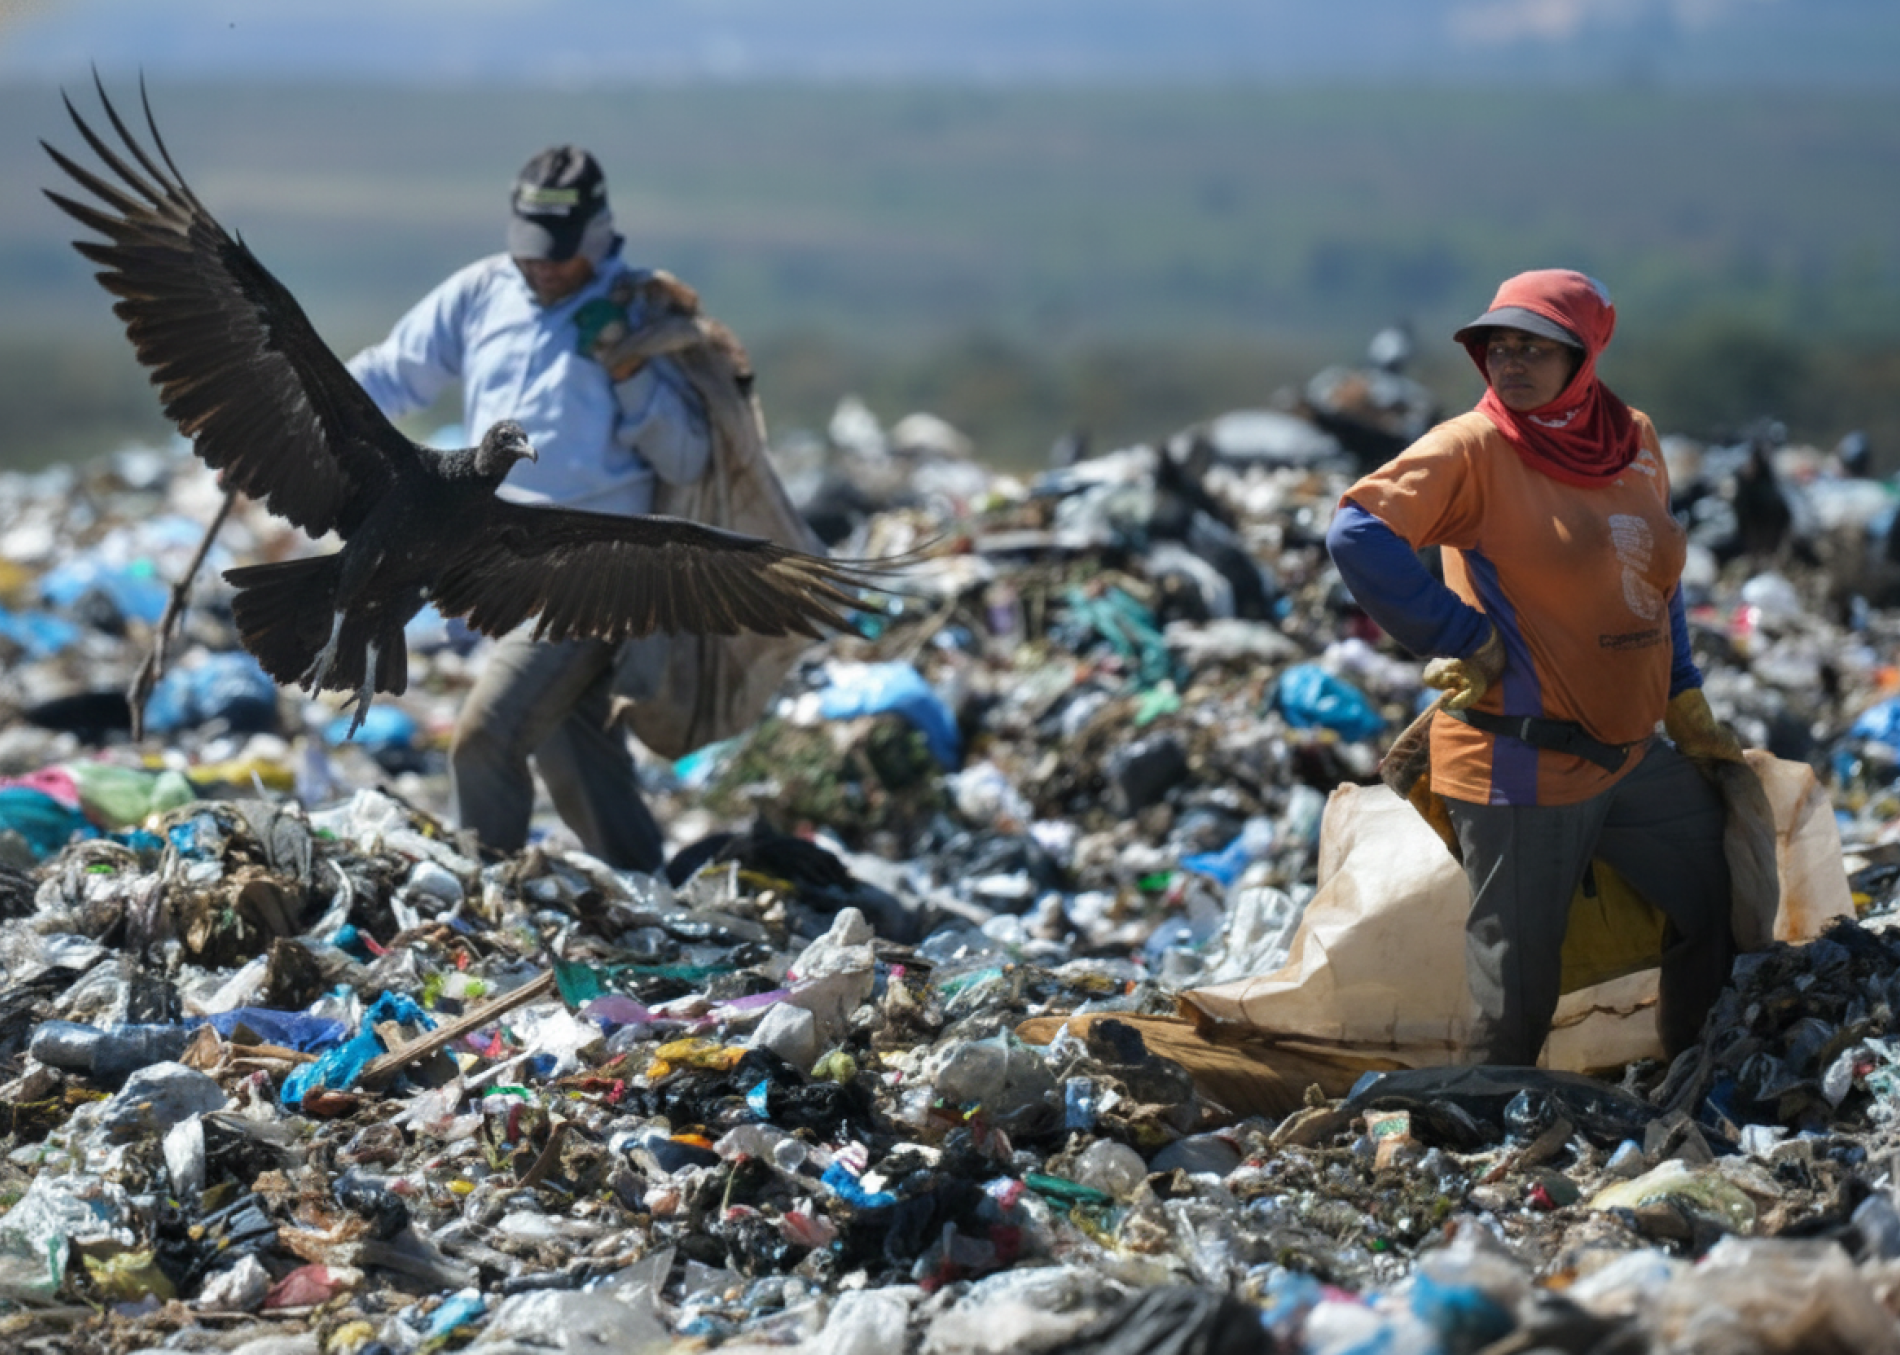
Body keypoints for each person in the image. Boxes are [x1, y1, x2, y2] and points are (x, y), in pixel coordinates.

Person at [1325, 268, 1746, 1067]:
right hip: (1521, 761)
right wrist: (1460, 634)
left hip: (1630, 754)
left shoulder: (1632, 438)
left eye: (1534, 347)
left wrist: (1683, 690)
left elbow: (1655, 574)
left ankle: (1693, 1075)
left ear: (1583, 356)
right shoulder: (1474, 448)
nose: (1510, 362)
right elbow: (1358, 531)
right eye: (1498, 347)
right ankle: (1494, 1127)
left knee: (1713, 896)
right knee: (1517, 987)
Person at [347, 145, 714, 873]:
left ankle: (481, 899)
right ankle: (650, 890)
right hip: (495, 564)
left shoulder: (643, 313)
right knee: (573, 750)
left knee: (487, 735)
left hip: (590, 571)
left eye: (561, 253)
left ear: (600, 234)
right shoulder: (483, 292)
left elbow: (687, 459)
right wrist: (297, 424)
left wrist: (630, 370)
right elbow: (392, 374)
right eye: (531, 250)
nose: (543, 268)